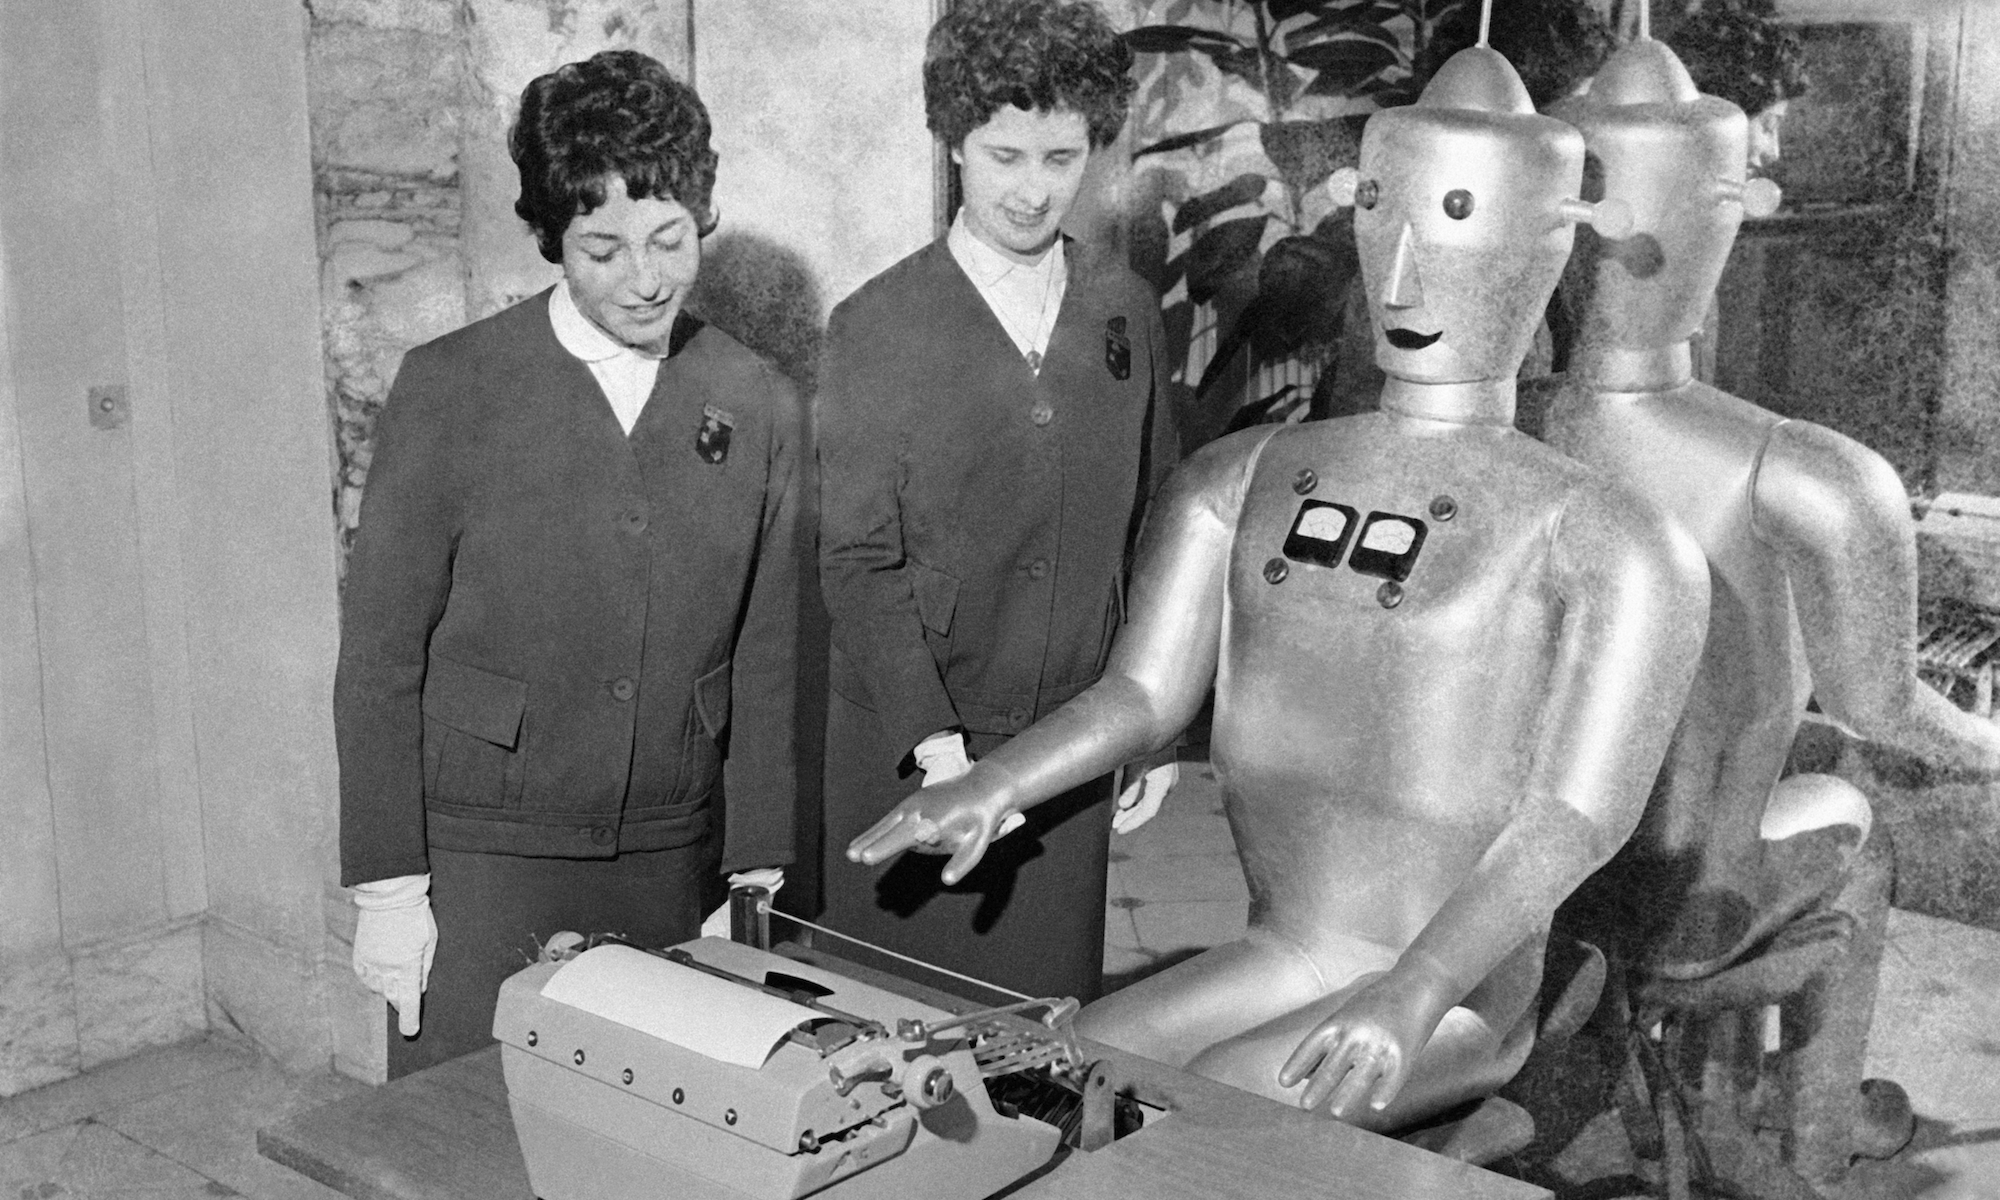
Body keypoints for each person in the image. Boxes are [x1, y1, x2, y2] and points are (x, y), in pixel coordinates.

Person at [849, 46, 1708, 1132]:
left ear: (1545, 239)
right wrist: (992, 785)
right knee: (1037, 1079)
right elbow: (1142, 697)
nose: (1400, 274)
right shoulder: (1247, 473)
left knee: (1204, 1121)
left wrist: (1412, 991)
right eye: (1379, 214)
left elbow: (1573, 817)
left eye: (1447, 219)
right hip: (1288, 944)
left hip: (1453, 996)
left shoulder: (1609, 539)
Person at [1541, 33, 1994, 1187]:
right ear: (1727, 211)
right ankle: (1811, 1130)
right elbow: (1886, 713)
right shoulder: (1801, 470)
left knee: (1759, 747)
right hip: (1668, 900)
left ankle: (1704, 1085)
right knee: (1851, 824)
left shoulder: (1501, 432)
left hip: (1513, 888)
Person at [336, 50, 801, 1077]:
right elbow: (378, 658)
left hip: (668, 851)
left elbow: (767, 652)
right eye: (602, 248)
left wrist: (752, 864)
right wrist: (386, 888)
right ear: (550, 240)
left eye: (669, 240)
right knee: (475, 1143)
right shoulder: (451, 388)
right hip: (483, 852)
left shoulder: (757, 397)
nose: (644, 279)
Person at [817, 0, 1179, 1006]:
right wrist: (938, 755)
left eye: (1060, 157)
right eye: (1003, 155)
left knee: (1042, 1040)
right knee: (898, 1033)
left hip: (1062, 744)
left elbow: (1156, 527)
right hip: (912, 741)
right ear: (953, 144)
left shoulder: (1125, 313)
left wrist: (1147, 725)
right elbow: (856, 559)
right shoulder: (875, 325)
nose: (1032, 190)